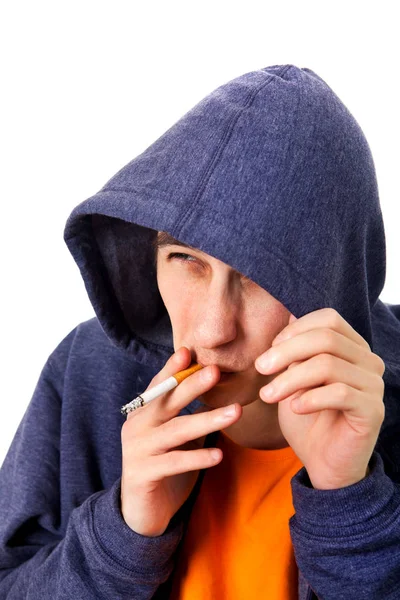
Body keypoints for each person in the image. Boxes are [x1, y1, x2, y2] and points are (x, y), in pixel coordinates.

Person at [0, 63, 399, 600]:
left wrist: (349, 498)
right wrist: (122, 533)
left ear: (336, 275)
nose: (213, 331)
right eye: (186, 259)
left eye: (260, 277)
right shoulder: (88, 369)